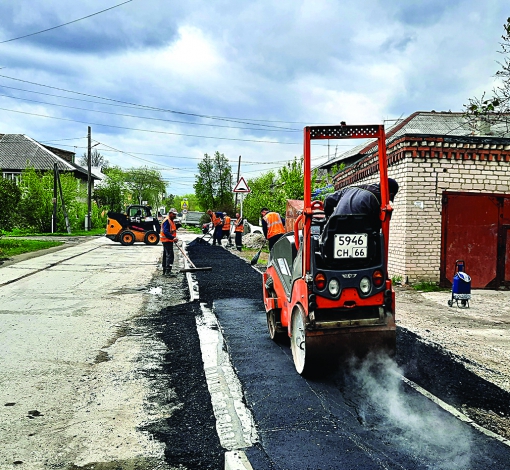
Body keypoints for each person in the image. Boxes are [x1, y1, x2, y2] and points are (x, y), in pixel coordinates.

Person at [324, 178, 399, 228]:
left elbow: (328, 199)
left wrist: (329, 217)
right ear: (390, 194)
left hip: (334, 231)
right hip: (360, 238)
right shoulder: (378, 200)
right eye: (390, 198)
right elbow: (377, 226)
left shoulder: (350, 189)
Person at [160, 208, 179, 276]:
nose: (175, 216)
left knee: (166, 255)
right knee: (170, 256)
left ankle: (165, 270)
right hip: (167, 240)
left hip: (168, 240)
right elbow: (166, 231)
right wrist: (173, 237)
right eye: (174, 214)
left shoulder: (171, 220)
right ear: (170, 213)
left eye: (175, 214)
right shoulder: (167, 221)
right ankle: (168, 271)